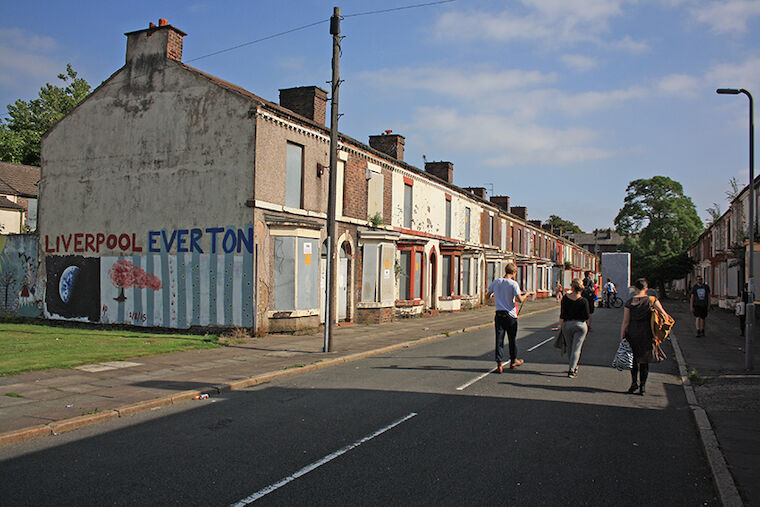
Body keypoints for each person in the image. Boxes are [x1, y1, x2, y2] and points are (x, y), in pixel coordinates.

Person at [620, 278, 671, 395]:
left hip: (632, 333)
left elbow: (626, 322)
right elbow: (665, 315)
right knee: (644, 361)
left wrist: (622, 335)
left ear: (635, 288)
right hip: (647, 333)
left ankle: (633, 383)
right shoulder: (651, 301)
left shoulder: (629, 302)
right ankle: (642, 386)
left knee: (633, 360)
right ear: (646, 289)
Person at [487, 262, 533, 373]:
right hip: (510, 315)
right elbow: (520, 300)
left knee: (499, 339)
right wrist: (527, 294)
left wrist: (496, 300)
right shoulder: (513, 284)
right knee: (512, 339)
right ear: (514, 272)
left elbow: (487, 296)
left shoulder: (496, 282)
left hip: (499, 314)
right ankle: (513, 360)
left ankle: (499, 363)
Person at [559, 278, 590, 378]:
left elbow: (562, 314)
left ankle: (572, 366)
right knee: (576, 348)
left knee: (569, 347)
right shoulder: (584, 301)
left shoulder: (565, 298)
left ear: (571, 286)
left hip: (567, 325)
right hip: (580, 325)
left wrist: (560, 326)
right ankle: (572, 369)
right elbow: (586, 316)